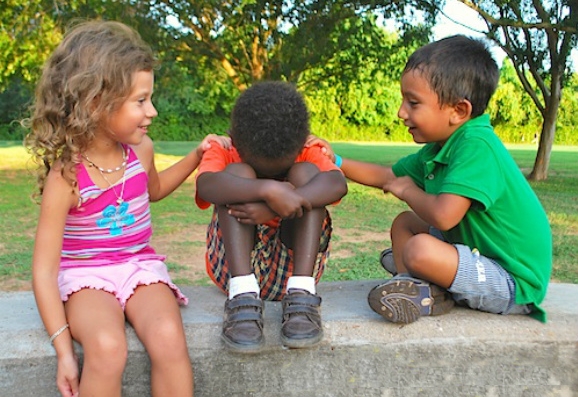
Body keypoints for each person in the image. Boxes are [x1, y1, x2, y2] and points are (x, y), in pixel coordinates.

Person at [24, 20, 229, 397]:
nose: (151, 111)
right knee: (106, 345)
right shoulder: (66, 177)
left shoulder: (141, 151)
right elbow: (43, 270)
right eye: (140, 100)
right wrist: (64, 350)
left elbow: (155, 189)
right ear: (96, 102)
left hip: (139, 267)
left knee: (169, 336)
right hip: (86, 276)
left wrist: (196, 157)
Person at [329, 35, 552, 324]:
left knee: (420, 249)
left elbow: (445, 217)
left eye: (413, 102)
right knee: (405, 224)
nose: (401, 112)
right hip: (479, 253)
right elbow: (387, 176)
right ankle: (409, 284)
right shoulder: (440, 148)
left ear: (458, 111)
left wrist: (409, 190)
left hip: (511, 280)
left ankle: (420, 277)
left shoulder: (476, 146)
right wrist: (334, 161)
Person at [195, 81, 348, 353]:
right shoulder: (226, 149)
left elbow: (337, 184)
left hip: (290, 271)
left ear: (303, 140)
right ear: (233, 138)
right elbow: (206, 185)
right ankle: (242, 294)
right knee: (236, 174)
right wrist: (269, 188)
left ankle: (302, 293)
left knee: (308, 175)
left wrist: (279, 205)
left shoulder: (307, 150)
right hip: (233, 269)